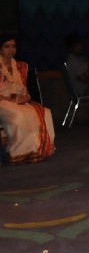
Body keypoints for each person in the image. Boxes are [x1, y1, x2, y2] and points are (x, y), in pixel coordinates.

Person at [0, 35, 55, 163]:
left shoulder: (21, 66)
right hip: (2, 101)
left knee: (45, 112)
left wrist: (25, 97)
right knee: (19, 115)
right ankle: (19, 153)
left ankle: (36, 150)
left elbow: (26, 91)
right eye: (7, 46)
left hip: (18, 101)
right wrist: (11, 101)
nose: (11, 50)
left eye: (13, 46)